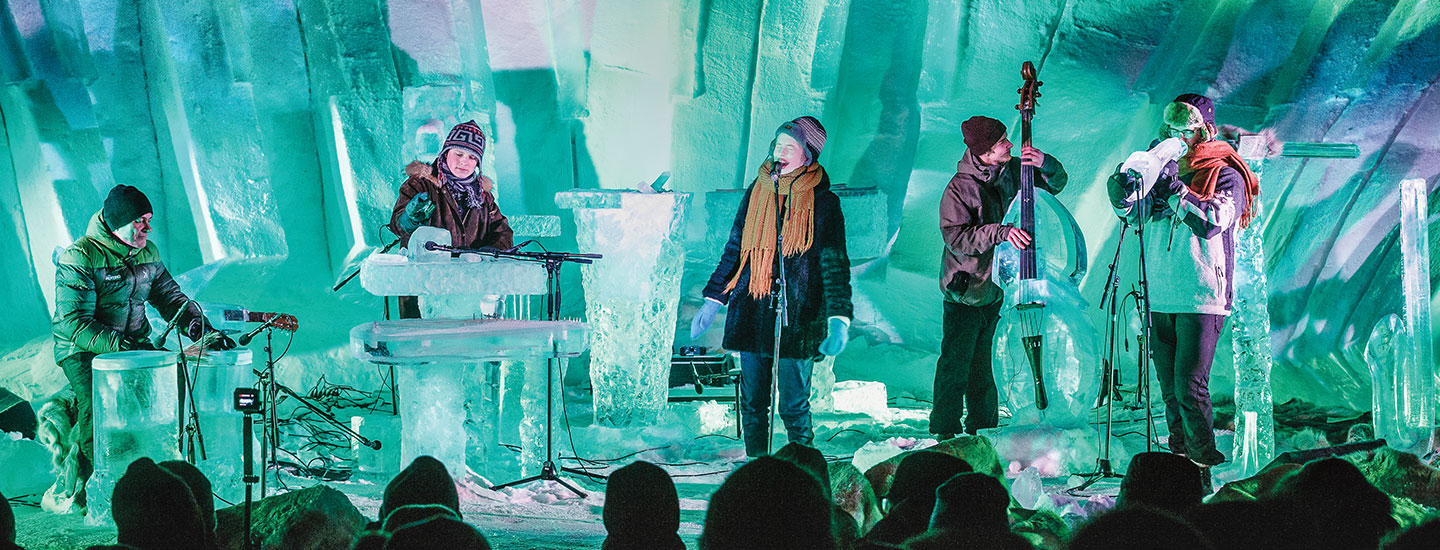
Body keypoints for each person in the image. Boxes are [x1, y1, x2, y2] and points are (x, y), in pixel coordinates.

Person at [52, 184, 236, 504]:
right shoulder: (80, 255)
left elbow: (170, 297)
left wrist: (197, 327)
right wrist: (119, 345)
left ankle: (164, 471)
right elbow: (73, 322)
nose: (147, 228)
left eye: (149, 220)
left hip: (131, 344)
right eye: (140, 221)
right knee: (99, 403)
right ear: (118, 221)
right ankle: (96, 486)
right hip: (82, 347)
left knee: (171, 384)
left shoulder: (147, 251)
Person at [1106, 94, 1259, 471]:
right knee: (1170, 391)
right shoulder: (1162, 169)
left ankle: (1204, 462)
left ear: (1203, 130)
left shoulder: (1226, 172)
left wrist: (1176, 189)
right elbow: (1137, 218)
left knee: (1190, 387)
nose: (1178, 138)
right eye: (1172, 130)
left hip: (1201, 296)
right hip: (1160, 294)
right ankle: (1178, 460)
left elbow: (1211, 221)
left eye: (1186, 131)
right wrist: (1122, 197)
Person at [691, 116, 853, 457]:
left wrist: (839, 318)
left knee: (793, 405)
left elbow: (834, 263)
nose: (779, 152)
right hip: (751, 309)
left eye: (789, 147)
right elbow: (736, 249)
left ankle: (804, 471)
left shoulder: (823, 203)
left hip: (798, 316)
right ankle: (756, 465)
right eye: (777, 145)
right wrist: (713, 300)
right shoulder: (758, 191)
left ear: (807, 155)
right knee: (752, 402)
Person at [932, 116, 1067, 438]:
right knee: (956, 364)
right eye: (1001, 142)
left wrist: (1046, 163)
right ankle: (945, 431)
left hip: (999, 289)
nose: (1010, 144)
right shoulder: (959, 187)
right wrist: (1001, 233)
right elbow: (956, 237)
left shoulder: (1016, 170)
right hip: (966, 289)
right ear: (985, 152)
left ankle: (983, 428)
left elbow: (1056, 184)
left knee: (987, 365)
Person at [388, 120, 514, 319]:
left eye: (472, 157)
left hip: (467, 295)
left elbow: (502, 231)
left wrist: (489, 252)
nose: (464, 161)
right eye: (459, 154)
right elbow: (397, 225)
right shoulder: (420, 184)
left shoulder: (483, 197)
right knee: (422, 346)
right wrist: (411, 217)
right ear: (446, 152)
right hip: (424, 292)